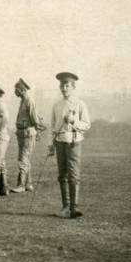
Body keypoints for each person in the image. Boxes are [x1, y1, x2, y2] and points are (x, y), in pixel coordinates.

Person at [48, 72, 91, 218]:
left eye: (67, 85)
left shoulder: (80, 104)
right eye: (62, 85)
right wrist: (50, 144)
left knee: (74, 175)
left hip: (74, 142)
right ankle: (65, 206)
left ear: (73, 87)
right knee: (62, 175)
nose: (64, 88)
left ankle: (74, 207)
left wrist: (73, 122)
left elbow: (86, 125)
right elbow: (53, 126)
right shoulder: (56, 105)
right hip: (60, 142)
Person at [10, 78, 46, 193]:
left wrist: (38, 130)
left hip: (27, 133)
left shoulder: (29, 101)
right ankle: (28, 184)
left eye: (16, 89)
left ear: (21, 89)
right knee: (26, 159)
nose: (15, 92)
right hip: (22, 133)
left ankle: (21, 185)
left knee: (23, 159)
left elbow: (34, 119)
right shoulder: (23, 101)